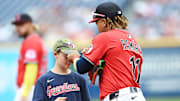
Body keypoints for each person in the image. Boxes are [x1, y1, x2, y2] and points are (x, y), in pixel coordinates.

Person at [67, 2, 146, 101]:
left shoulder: (105, 37)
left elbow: (81, 67)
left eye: (97, 22)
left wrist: (76, 56)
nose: (97, 26)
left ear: (104, 22)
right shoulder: (133, 41)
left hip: (119, 97)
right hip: (138, 96)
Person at [12, 13, 47, 101]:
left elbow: (32, 69)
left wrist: (24, 94)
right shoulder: (36, 40)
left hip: (31, 88)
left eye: (21, 25)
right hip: (35, 87)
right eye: (16, 25)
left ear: (30, 25)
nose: (17, 28)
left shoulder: (32, 42)